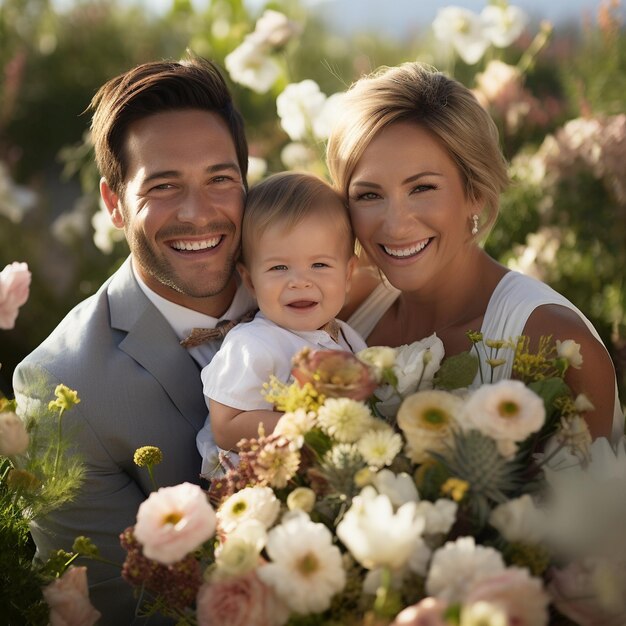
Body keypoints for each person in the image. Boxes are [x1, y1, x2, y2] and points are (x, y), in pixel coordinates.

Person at [12, 56, 255, 624]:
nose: (199, 214)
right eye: (164, 187)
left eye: (220, 179)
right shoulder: (60, 385)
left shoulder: (320, 278)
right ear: (114, 203)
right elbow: (117, 607)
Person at [327, 61, 624, 444]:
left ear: (475, 192)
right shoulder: (344, 311)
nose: (396, 225)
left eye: (422, 188)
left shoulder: (554, 341)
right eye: (369, 195)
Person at [199, 171, 366, 459]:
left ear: (348, 274)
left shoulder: (348, 337)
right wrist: (307, 428)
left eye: (320, 265)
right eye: (279, 268)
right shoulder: (253, 344)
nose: (299, 282)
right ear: (250, 281)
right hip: (264, 485)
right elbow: (225, 427)